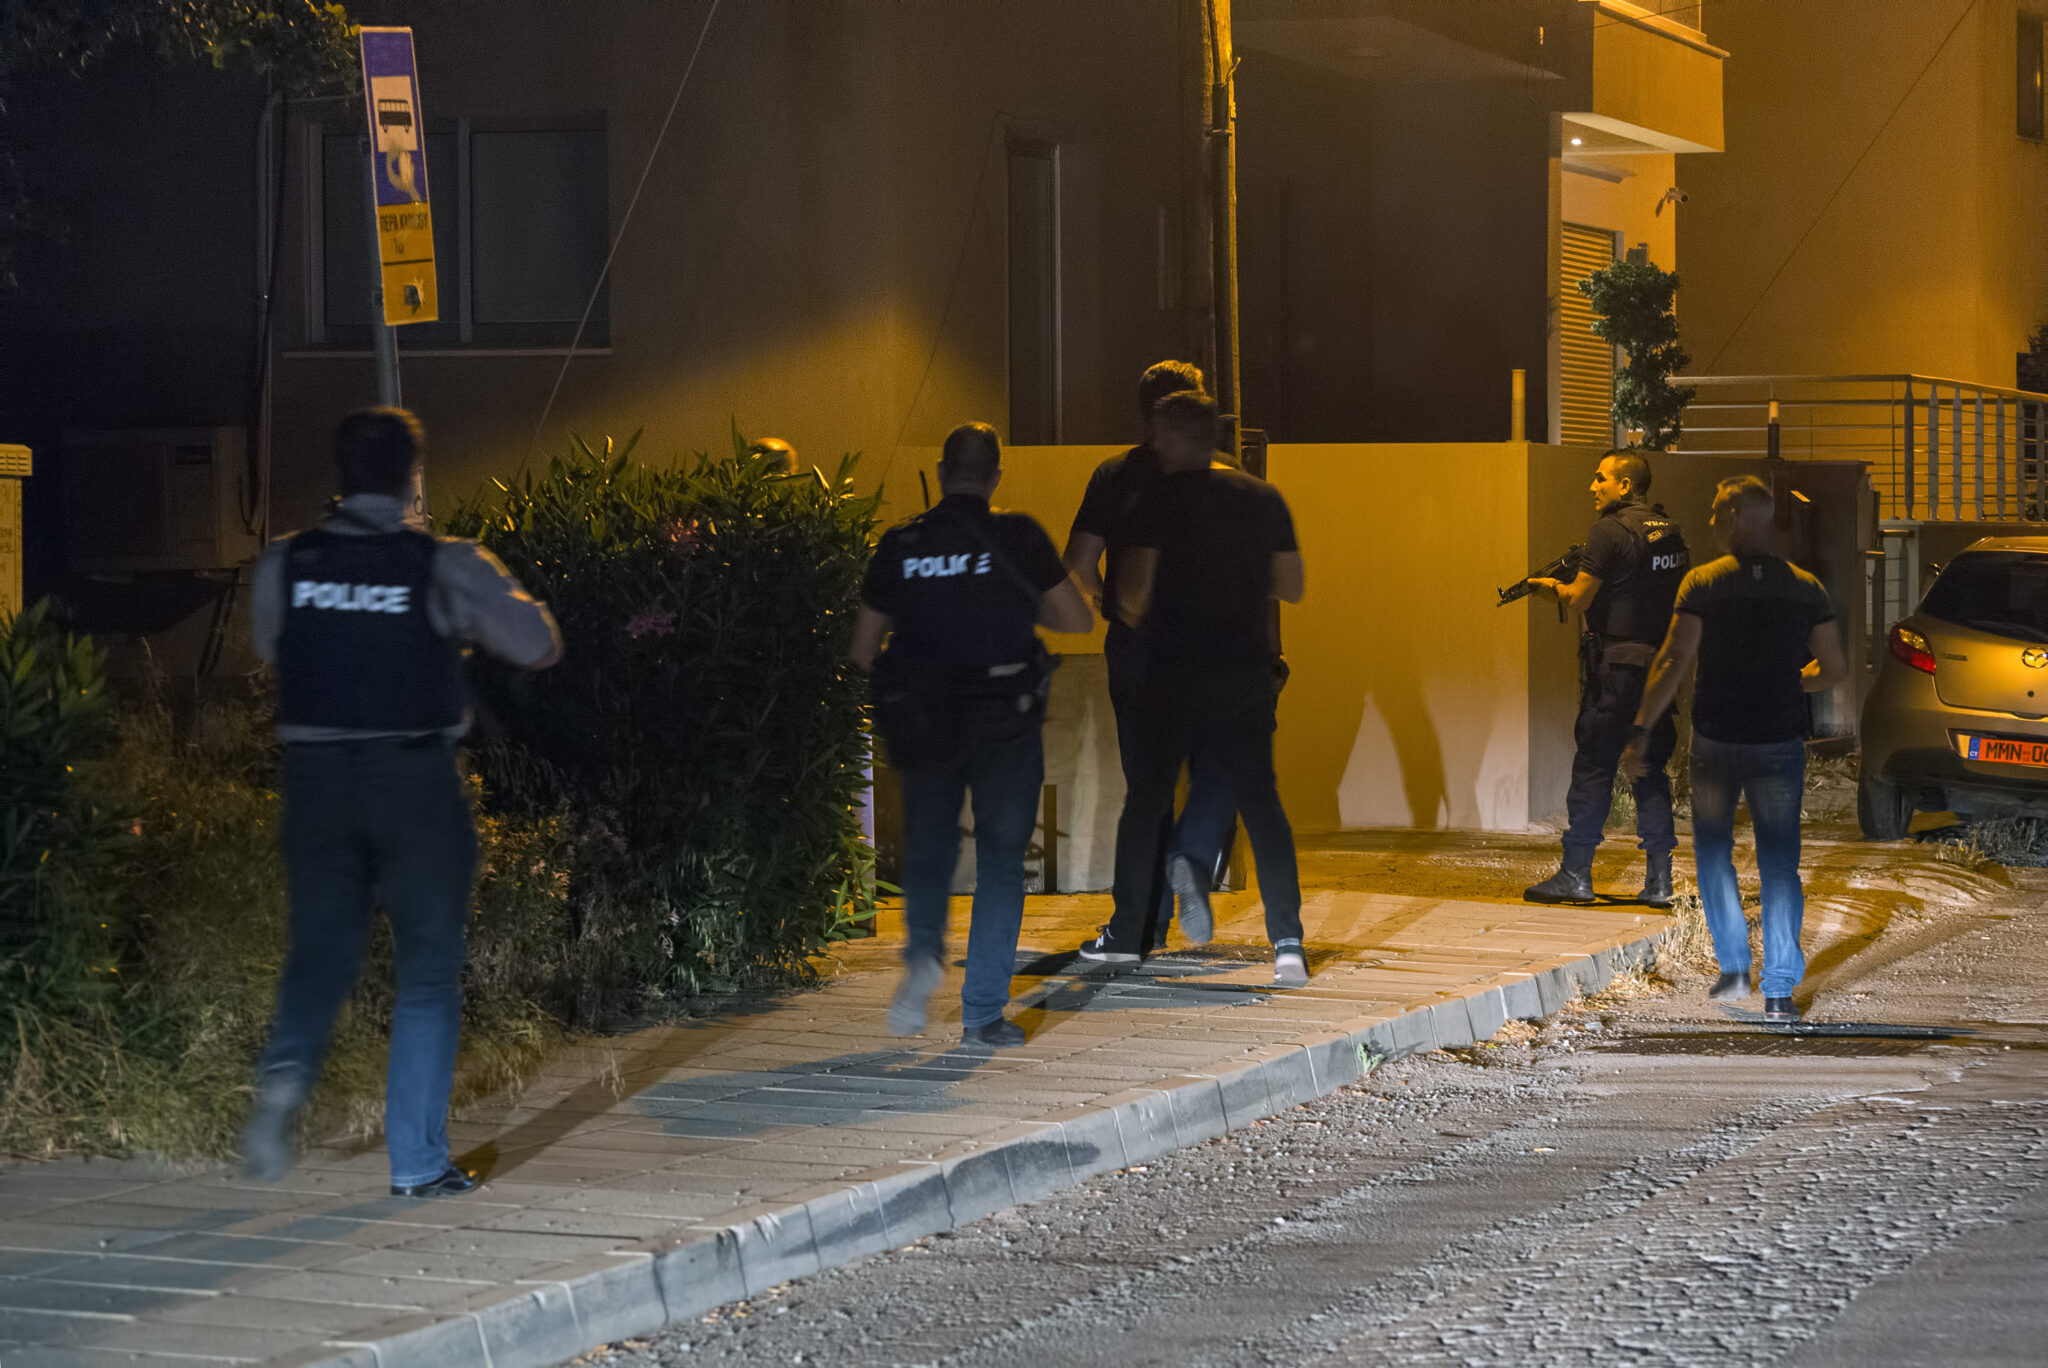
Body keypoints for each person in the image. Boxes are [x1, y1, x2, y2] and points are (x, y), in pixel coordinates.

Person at [240, 408, 562, 1197]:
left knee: (321, 951)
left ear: (341, 475)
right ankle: (416, 1163)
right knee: (426, 970)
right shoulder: (443, 562)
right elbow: (537, 645)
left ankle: (286, 1074)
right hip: (413, 781)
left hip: (316, 780)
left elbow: (270, 645)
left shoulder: (286, 561)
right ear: (412, 478)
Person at [851, 422, 1090, 1047]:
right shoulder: (1018, 536)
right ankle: (982, 1014)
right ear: (996, 476)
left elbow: (862, 648)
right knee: (1002, 862)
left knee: (931, 848)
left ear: (940, 471)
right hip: (1002, 720)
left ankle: (924, 955)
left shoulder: (901, 543)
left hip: (925, 720)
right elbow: (1076, 620)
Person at [1077, 391, 1309, 985]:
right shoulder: (1261, 497)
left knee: (1147, 799)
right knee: (1254, 799)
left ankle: (1132, 934)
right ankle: (1286, 944)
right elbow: (1291, 585)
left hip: (1167, 674)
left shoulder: (1153, 499)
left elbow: (1132, 596)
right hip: (1242, 671)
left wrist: (1132, 615)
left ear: (1173, 437)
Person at [1623, 475, 1847, 1023]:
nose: (1709, 522)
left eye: (1715, 512)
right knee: (1780, 865)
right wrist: (1792, 683)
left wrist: (1642, 727)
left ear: (1732, 518)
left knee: (1713, 853)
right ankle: (1779, 990)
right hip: (1779, 741)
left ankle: (1734, 967)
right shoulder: (1806, 588)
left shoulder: (1703, 583)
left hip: (1717, 739)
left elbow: (1674, 659)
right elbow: (1834, 668)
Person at [1064, 360, 1237, 949]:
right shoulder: (1227, 478)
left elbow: (1079, 562)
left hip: (1139, 650)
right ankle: (1193, 859)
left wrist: (1108, 603)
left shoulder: (1116, 475)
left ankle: (1141, 924)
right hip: (1213, 650)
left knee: (1147, 790)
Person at [1523, 449, 1690, 908]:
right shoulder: (1669, 530)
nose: (1592, 487)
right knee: (1650, 769)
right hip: (1657, 669)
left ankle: (1576, 874)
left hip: (1615, 669)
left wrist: (1550, 589)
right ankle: (1659, 882)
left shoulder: (1608, 530)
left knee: (1594, 767)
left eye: (1601, 478)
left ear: (1625, 485)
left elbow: (1579, 597)